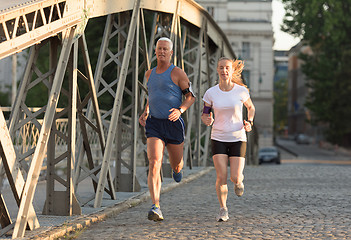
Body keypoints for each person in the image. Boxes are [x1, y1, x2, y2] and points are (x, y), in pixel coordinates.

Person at [139, 37, 195, 221]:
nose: (162, 51)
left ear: (171, 53)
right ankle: (156, 206)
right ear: (155, 51)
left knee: (175, 164)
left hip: (173, 124)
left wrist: (180, 110)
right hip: (155, 123)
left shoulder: (178, 73)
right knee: (154, 162)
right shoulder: (149, 74)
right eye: (159, 49)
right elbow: (153, 95)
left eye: (165, 49)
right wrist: (145, 112)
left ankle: (177, 169)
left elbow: (190, 97)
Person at [201, 57, 255, 222]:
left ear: (232, 71)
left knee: (235, 177)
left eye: (227, 68)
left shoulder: (240, 91)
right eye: (221, 68)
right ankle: (223, 209)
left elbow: (250, 107)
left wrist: (250, 122)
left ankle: (239, 182)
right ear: (217, 70)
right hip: (218, 137)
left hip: (238, 137)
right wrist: (207, 120)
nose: (224, 71)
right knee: (221, 176)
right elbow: (205, 114)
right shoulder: (211, 93)